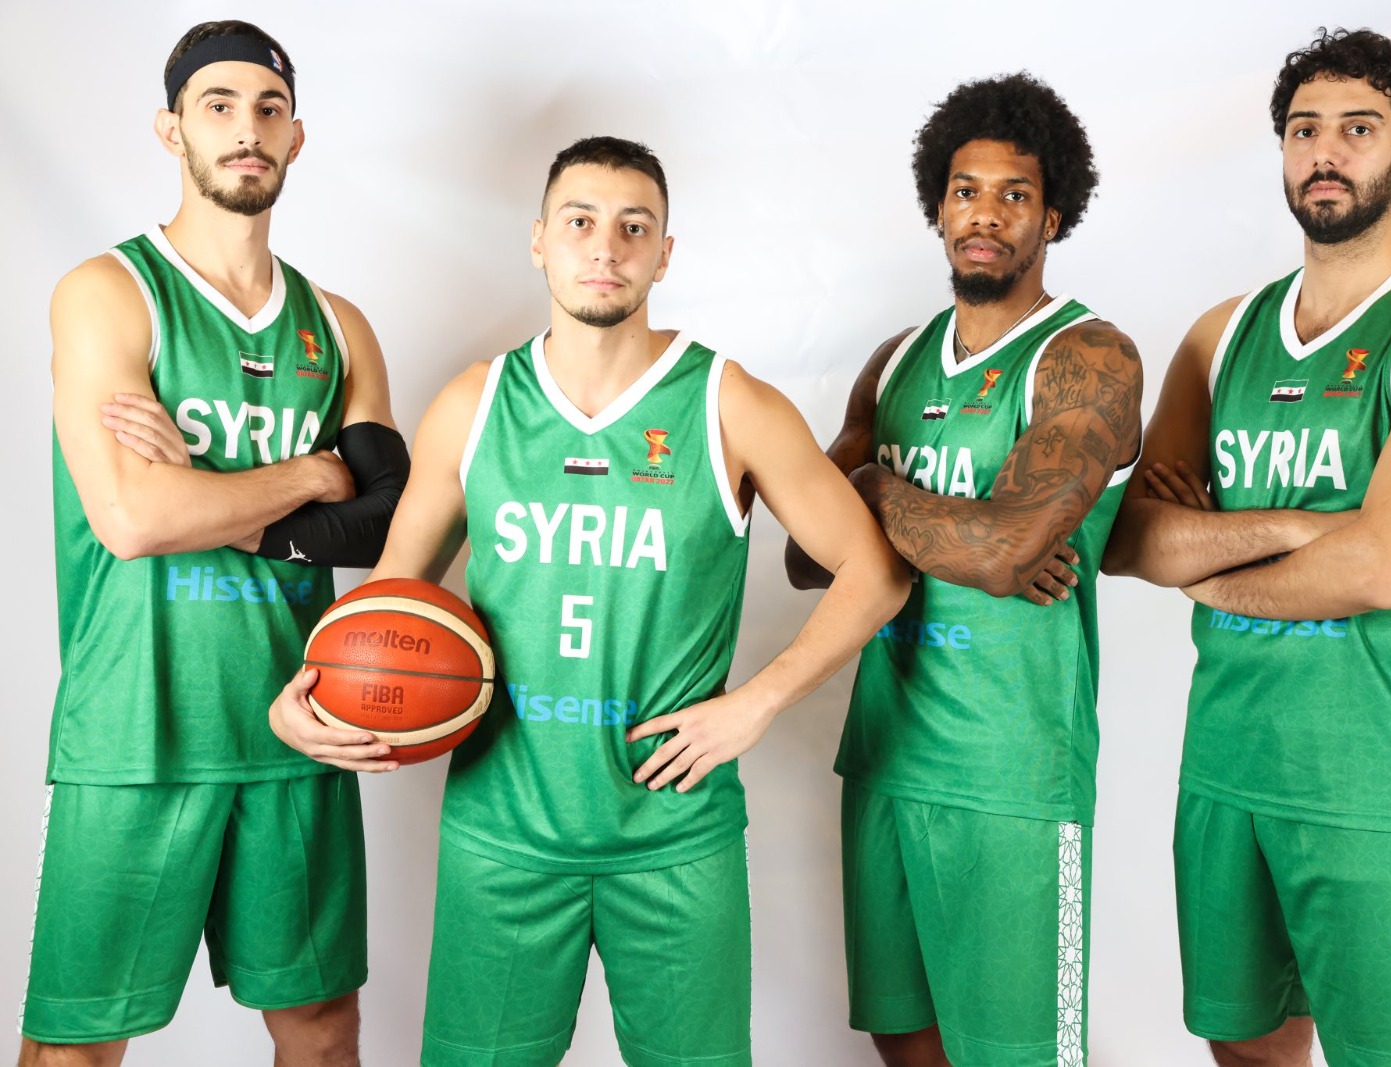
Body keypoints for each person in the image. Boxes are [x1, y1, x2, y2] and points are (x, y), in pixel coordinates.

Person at [269, 135, 909, 1067]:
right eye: (580, 222)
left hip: (674, 831)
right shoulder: (475, 403)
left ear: (665, 253)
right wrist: (315, 695)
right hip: (502, 834)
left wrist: (757, 702)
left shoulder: (728, 403)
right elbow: (387, 606)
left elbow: (876, 570)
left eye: (633, 227)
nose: (605, 247)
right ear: (539, 240)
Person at [1102, 27, 1391, 1067]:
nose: (1325, 152)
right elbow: (1131, 536)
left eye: (1357, 129)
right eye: (1303, 130)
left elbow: (1384, 566)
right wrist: (1301, 528)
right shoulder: (1221, 334)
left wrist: (1212, 569)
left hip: (1383, 783)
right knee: (1244, 1047)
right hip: (1227, 765)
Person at [24, 19, 407, 1067]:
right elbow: (133, 520)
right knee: (75, 1047)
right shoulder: (109, 291)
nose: (248, 128)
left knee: (322, 1030)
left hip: (299, 720)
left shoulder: (338, 325)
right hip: (135, 730)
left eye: (269, 109)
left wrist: (200, 488)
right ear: (172, 129)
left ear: (295, 138)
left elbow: (387, 518)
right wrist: (316, 473)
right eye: (219, 105)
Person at [787, 73, 1143, 1066]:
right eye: (965, 191)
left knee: (1018, 1053)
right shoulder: (896, 361)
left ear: (1053, 215)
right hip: (887, 753)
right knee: (903, 1034)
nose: (985, 214)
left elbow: (1005, 550)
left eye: (1013, 194)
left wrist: (871, 489)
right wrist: (967, 532)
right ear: (938, 207)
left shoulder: (1089, 356)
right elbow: (807, 556)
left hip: (1012, 769)